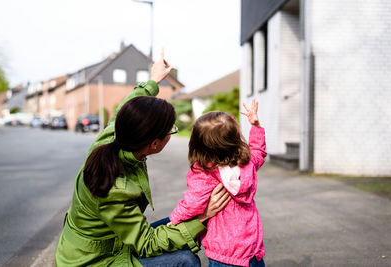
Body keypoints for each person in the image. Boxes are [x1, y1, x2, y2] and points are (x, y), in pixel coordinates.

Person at [55, 50, 231, 267]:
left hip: (115, 239)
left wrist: (154, 80)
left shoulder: (114, 137)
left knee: (184, 225)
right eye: (171, 131)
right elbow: (146, 243)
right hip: (93, 261)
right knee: (186, 261)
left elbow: (128, 105)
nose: (172, 133)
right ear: (154, 143)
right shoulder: (115, 189)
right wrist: (203, 216)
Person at [169, 99, 267, 267]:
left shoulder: (203, 172)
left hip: (223, 252)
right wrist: (256, 127)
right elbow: (258, 151)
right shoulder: (247, 163)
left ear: (198, 145)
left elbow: (192, 204)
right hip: (252, 248)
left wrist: (174, 220)